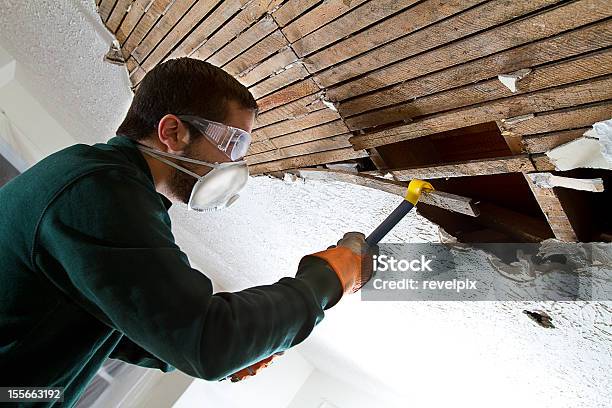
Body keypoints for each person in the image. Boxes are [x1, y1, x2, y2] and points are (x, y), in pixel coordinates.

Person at [0, 58, 376, 407]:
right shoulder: (99, 191)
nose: (236, 163)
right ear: (172, 131)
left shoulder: (95, 180)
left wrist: (216, 349)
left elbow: (118, 317)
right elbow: (209, 341)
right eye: (234, 143)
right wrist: (328, 279)